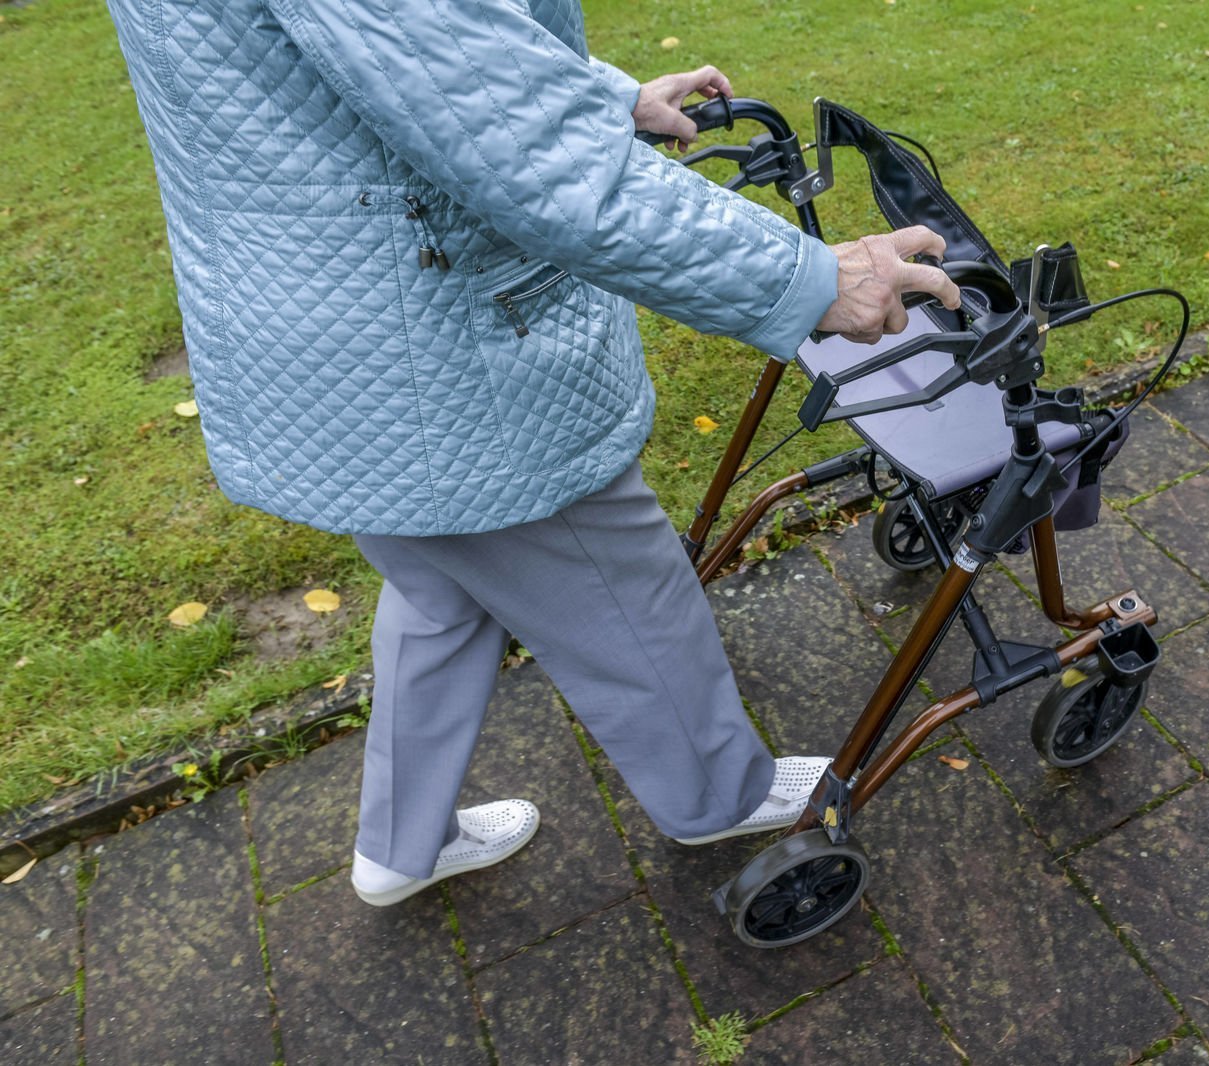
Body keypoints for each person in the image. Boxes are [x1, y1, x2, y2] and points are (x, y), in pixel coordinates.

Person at [105, 0, 960, 905]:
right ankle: (719, 797)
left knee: (440, 592)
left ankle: (401, 845)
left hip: (318, 328)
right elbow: (525, 150)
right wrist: (812, 277)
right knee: (625, 585)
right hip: (429, 348)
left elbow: (420, 56)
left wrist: (597, 96)